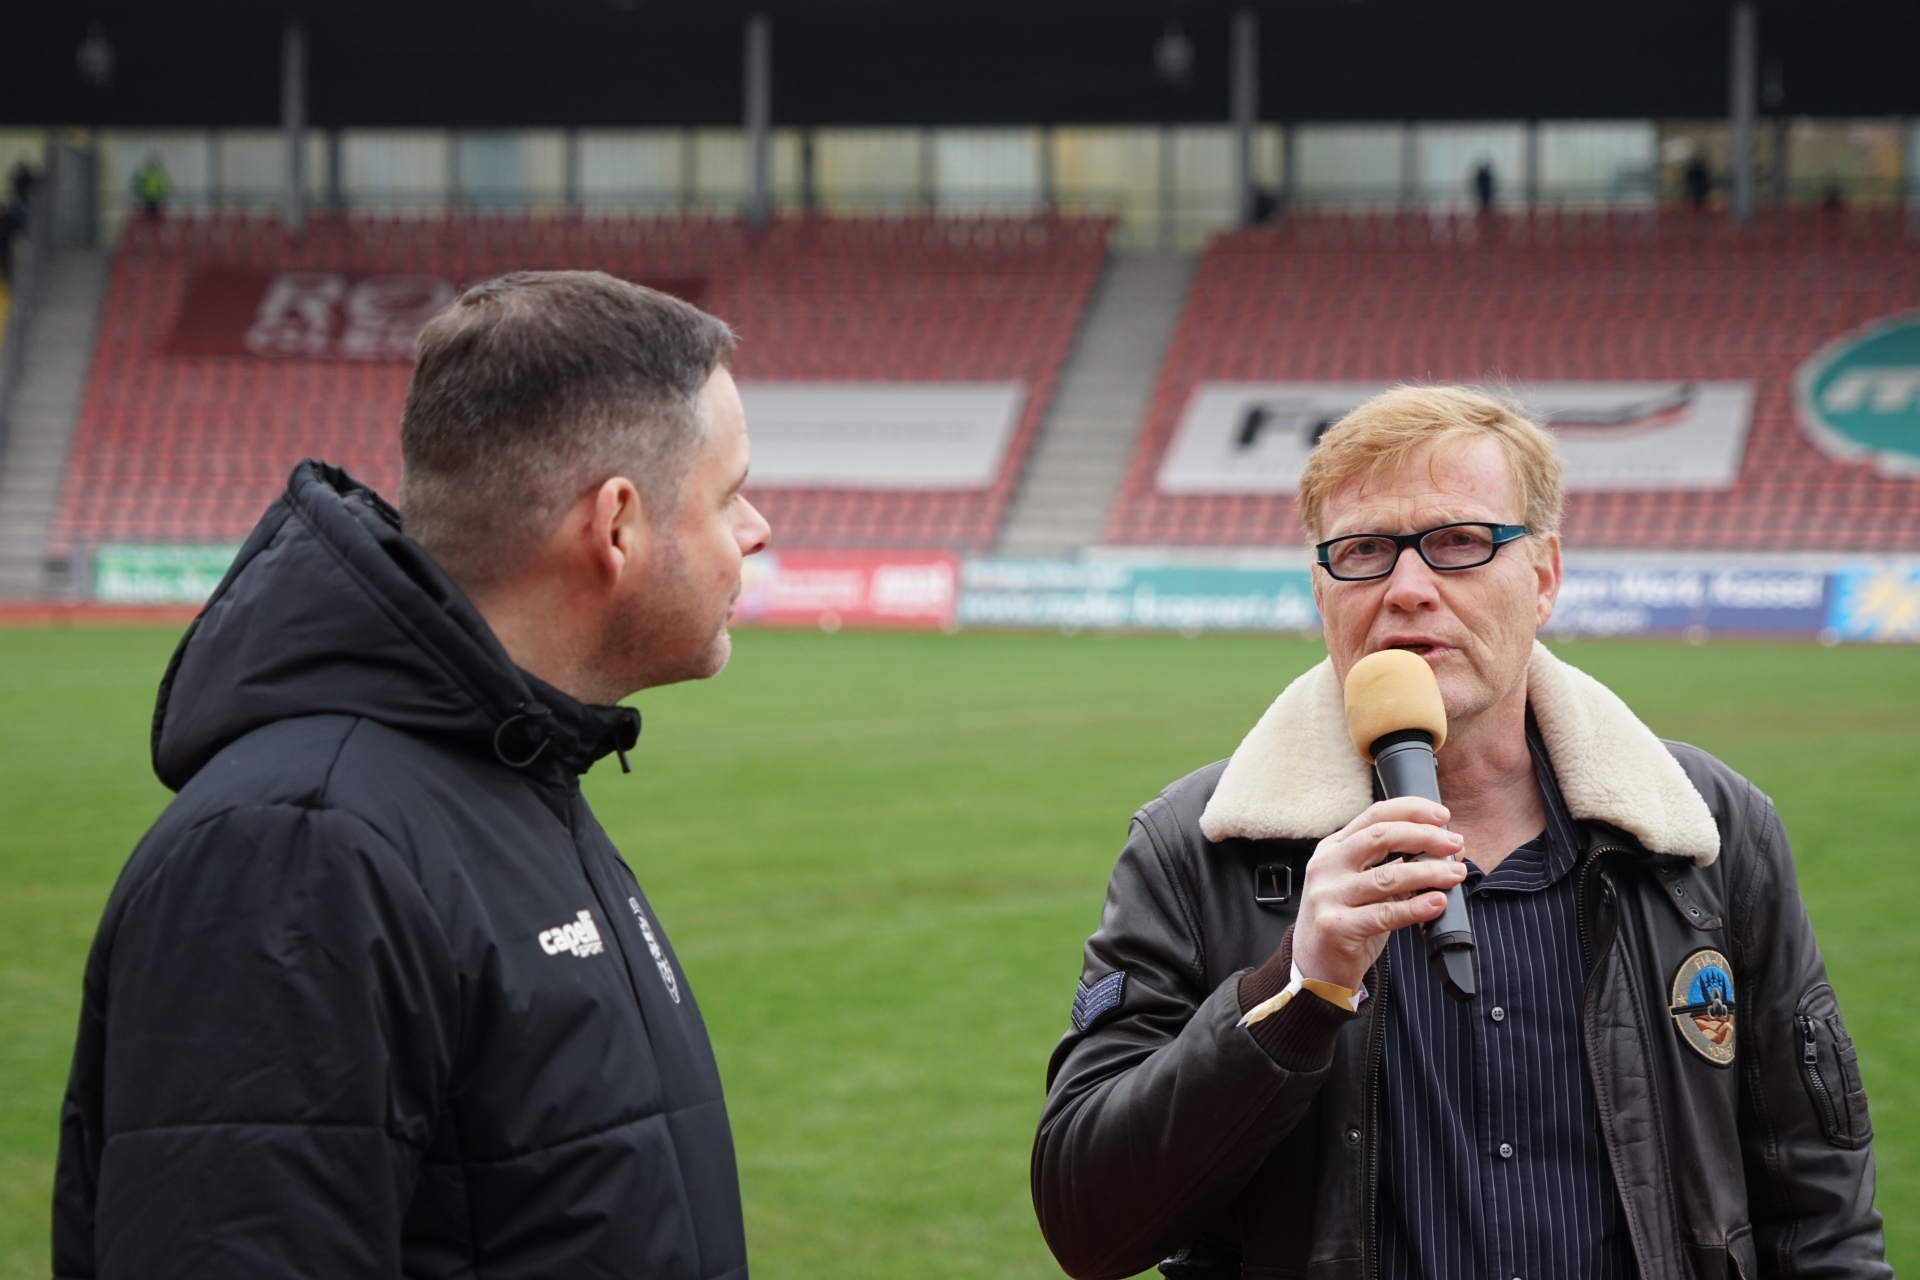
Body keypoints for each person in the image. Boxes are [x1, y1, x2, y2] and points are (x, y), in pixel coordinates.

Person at [1032, 385, 1887, 1279]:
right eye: (1364, 551)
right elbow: (1089, 1226)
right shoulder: (1196, 846)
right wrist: (1294, 991)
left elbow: (1818, 1216)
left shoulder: (1706, 830)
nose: (1407, 590)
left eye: (1459, 543)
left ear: (1544, 577)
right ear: (1322, 592)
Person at [54, 271, 771, 1279]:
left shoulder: (514, 773)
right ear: (616, 524)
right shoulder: (299, 849)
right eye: (731, 494)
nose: (756, 528)